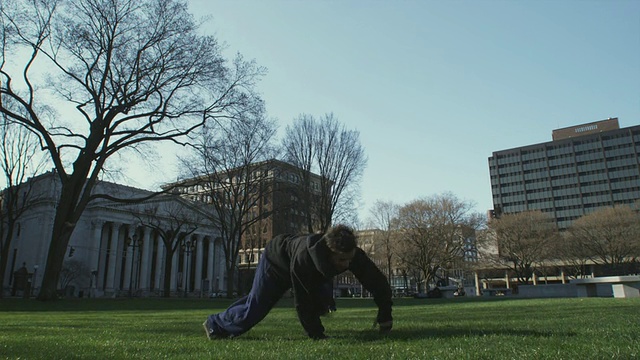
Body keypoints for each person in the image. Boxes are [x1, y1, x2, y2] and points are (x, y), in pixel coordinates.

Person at [203, 224, 393, 340]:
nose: (346, 265)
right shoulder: (306, 258)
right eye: (342, 260)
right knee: (257, 307)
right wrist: (317, 334)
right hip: (276, 262)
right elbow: (302, 301)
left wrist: (385, 315)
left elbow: (377, 282)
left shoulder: (352, 255)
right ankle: (215, 323)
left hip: (306, 267)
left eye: (349, 260)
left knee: (322, 301)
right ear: (330, 252)